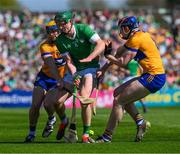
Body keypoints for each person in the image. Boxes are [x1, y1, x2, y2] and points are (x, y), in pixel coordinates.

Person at [82, 16, 166, 142]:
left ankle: (107, 136)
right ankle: (140, 122)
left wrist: (107, 56)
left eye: (122, 29)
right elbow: (117, 54)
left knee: (119, 100)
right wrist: (104, 69)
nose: (121, 32)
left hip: (154, 77)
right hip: (150, 75)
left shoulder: (136, 39)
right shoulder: (139, 36)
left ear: (128, 28)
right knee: (117, 93)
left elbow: (123, 62)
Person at [43, 10, 105, 143]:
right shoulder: (60, 40)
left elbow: (101, 44)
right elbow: (69, 61)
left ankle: (86, 134)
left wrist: (90, 58)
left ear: (71, 21)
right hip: (75, 69)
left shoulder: (83, 29)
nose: (61, 26)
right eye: (59, 24)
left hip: (90, 67)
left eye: (63, 23)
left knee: (83, 99)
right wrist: (74, 74)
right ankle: (65, 121)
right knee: (57, 102)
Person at [24, 20, 67, 142]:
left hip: (59, 79)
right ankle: (31, 133)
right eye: (50, 32)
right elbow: (51, 65)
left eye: (55, 31)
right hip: (44, 77)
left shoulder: (66, 44)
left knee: (48, 104)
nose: (53, 34)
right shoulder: (44, 46)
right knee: (35, 105)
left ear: (59, 31)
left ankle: (51, 118)